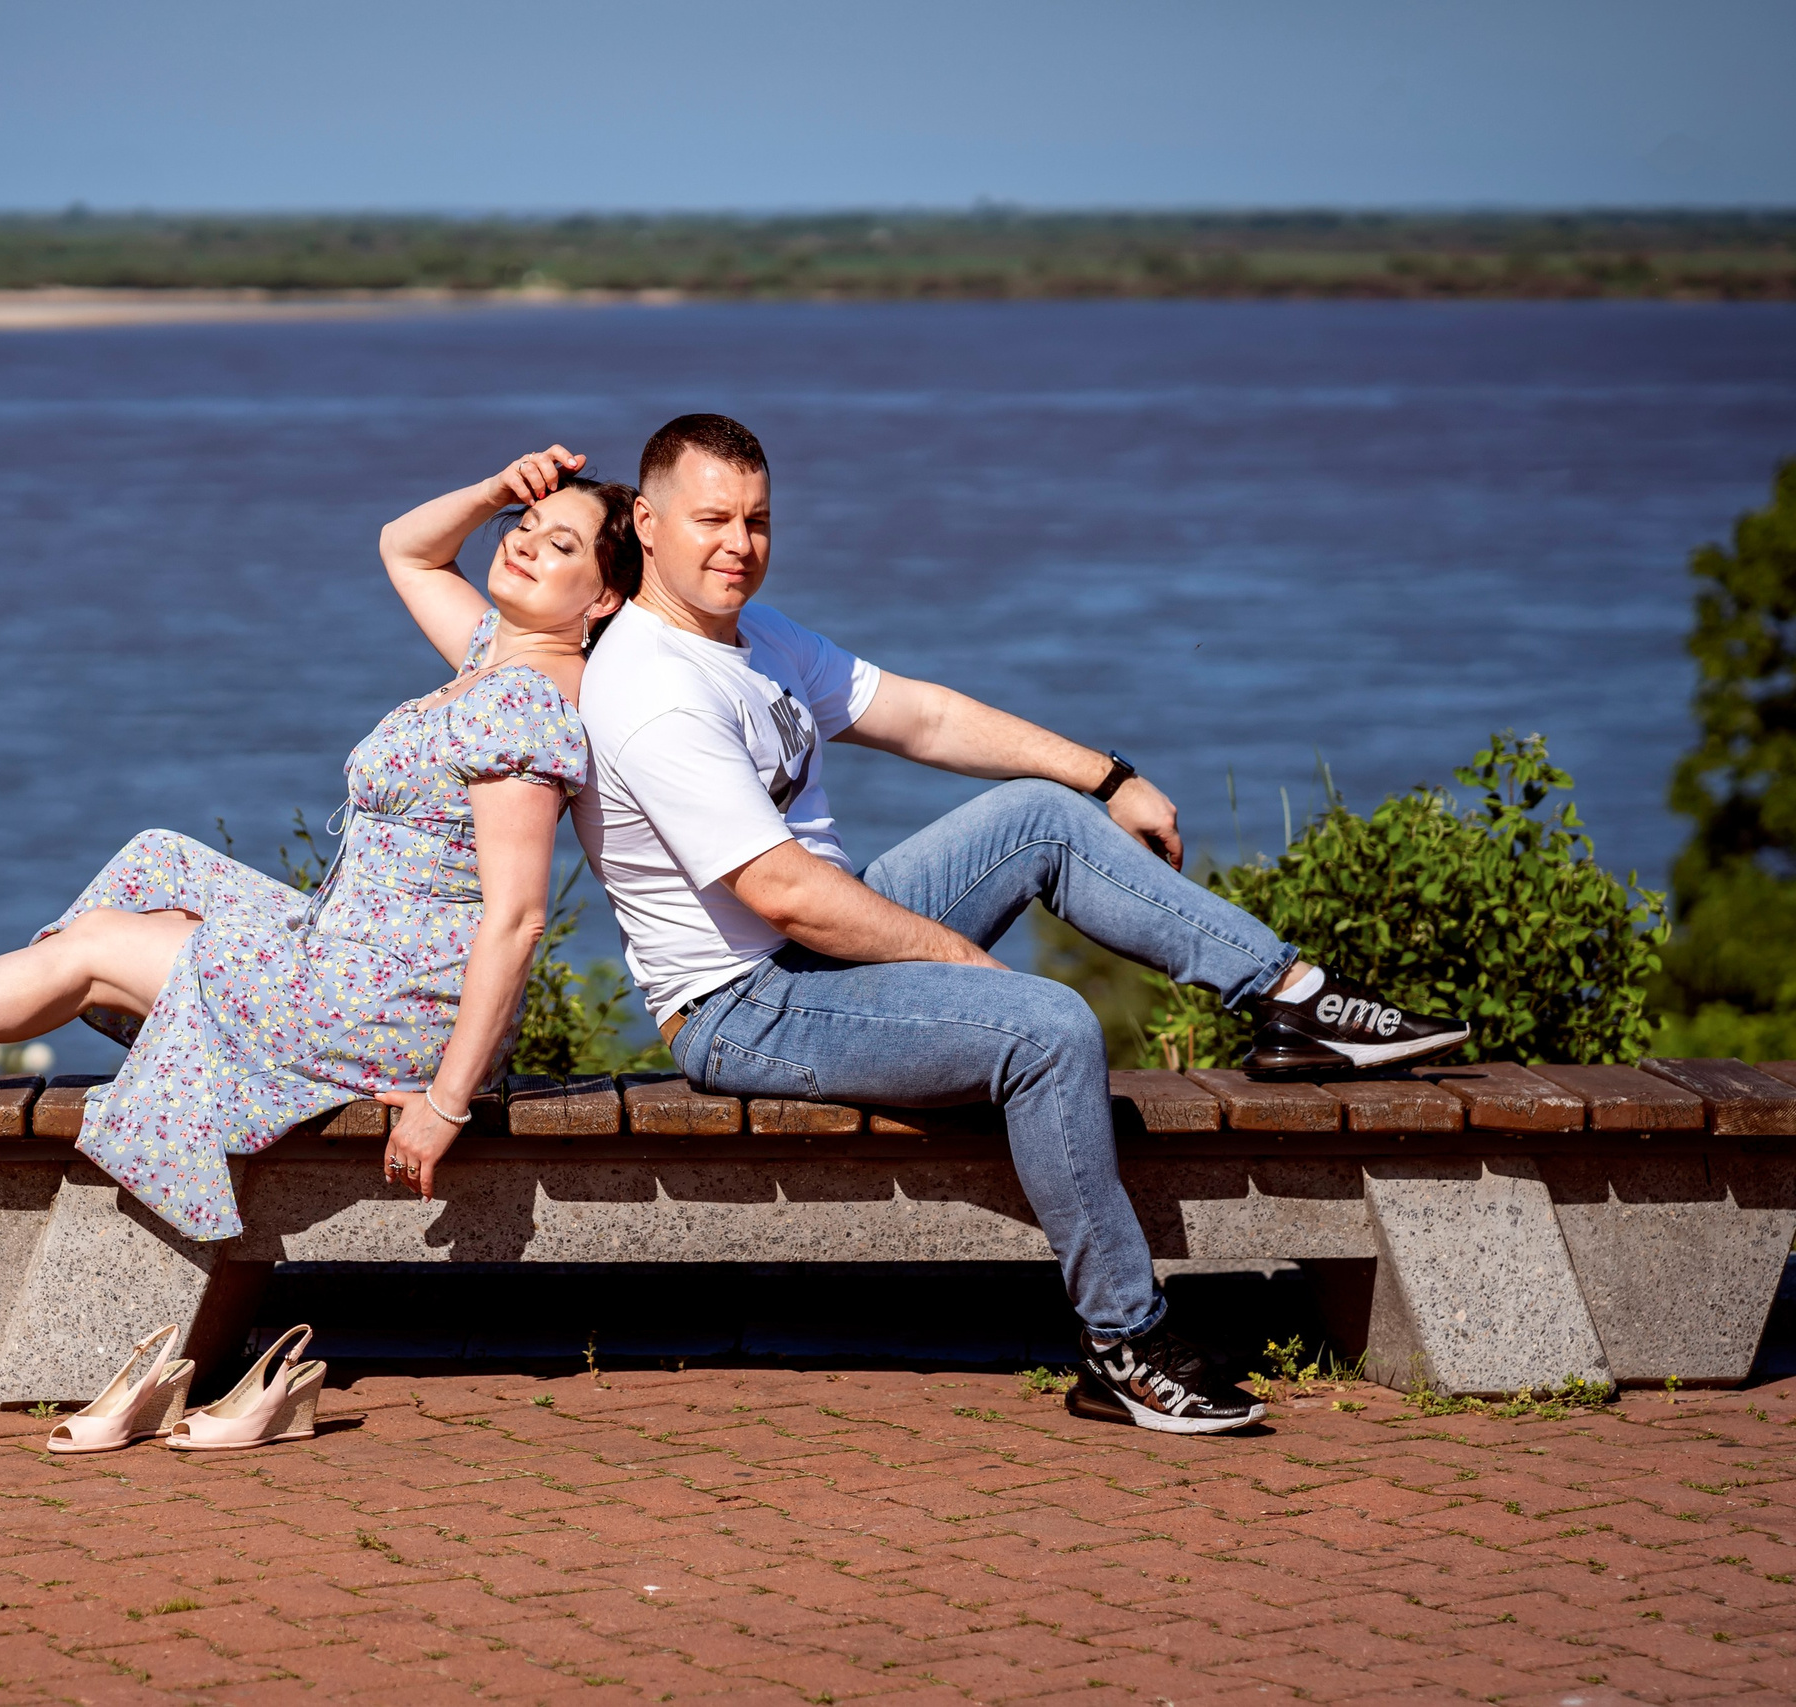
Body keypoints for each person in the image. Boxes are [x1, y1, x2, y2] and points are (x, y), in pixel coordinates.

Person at [574, 413, 1468, 1435]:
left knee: (1041, 815)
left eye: (758, 520)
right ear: (647, 522)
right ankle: (1122, 1342)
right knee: (1047, 1029)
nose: (739, 544)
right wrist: (958, 958)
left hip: (818, 948)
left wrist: (1108, 776)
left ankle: (1291, 999)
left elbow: (925, 717)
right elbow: (782, 892)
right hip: (746, 1006)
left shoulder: (755, 638)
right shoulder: (653, 689)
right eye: (712, 520)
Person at [0, 446, 639, 1243]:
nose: (523, 541)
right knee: (158, 860)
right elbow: (406, 546)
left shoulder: (522, 703)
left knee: (102, 947)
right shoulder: (492, 652)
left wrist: (443, 1101)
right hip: (351, 956)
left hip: (392, 1006)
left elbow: (516, 920)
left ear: (602, 598)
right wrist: (493, 488)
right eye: (525, 523)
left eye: (560, 544)